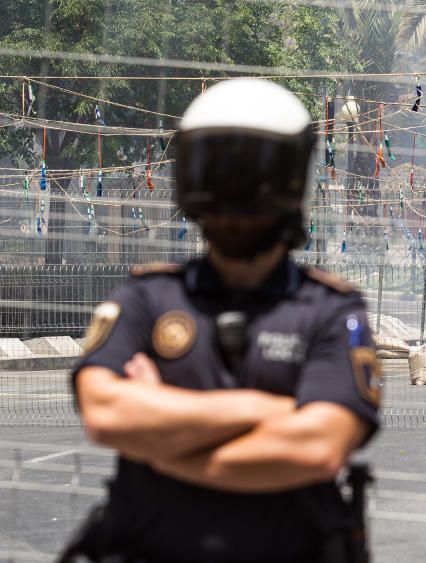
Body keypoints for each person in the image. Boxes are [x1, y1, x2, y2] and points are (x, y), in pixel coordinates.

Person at [63, 78, 381, 562]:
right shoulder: (148, 298)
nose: (237, 195)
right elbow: (106, 414)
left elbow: (317, 448)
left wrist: (158, 434)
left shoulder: (330, 311)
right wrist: (269, 409)